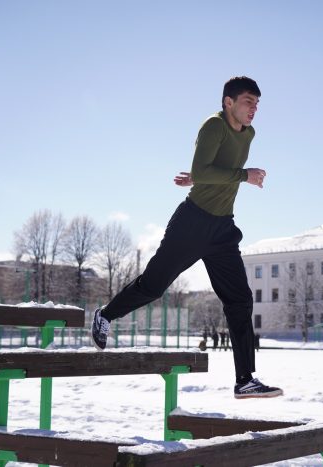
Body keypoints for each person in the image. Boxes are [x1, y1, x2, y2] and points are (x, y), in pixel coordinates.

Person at [91, 76, 282, 399]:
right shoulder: (213, 126)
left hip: (223, 229)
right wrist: (238, 176)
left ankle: (245, 379)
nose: (254, 109)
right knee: (153, 285)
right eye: (248, 101)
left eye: (257, 103)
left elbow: (212, 167)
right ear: (228, 103)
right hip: (192, 223)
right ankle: (106, 315)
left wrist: (200, 176)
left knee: (239, 300)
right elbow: (209, 167)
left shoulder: (248, 134)